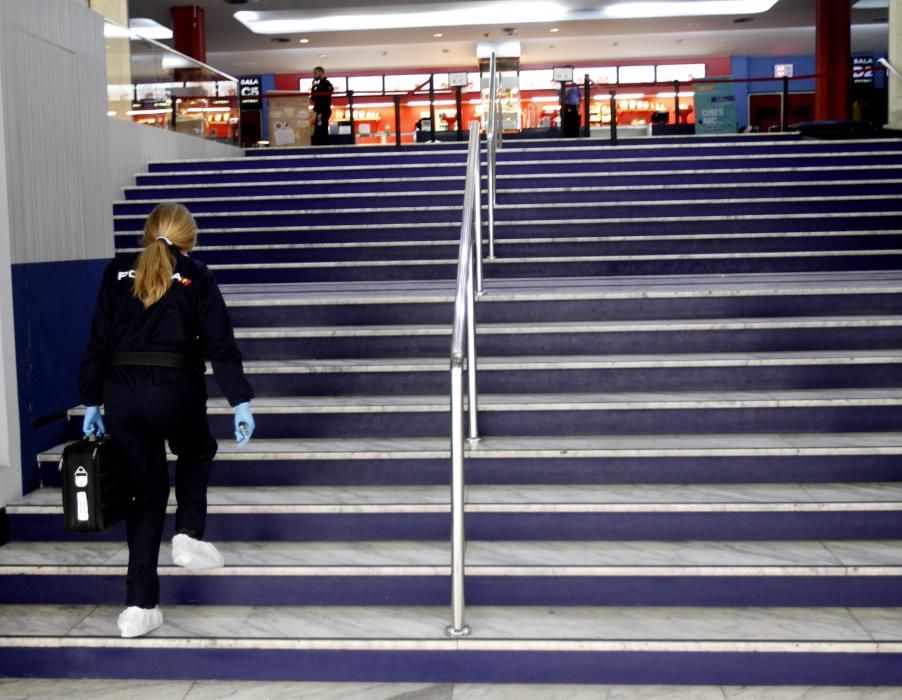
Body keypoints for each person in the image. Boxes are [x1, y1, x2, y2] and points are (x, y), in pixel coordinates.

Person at [79, 202, 255, 639]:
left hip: (122, 393)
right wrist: (240, 402)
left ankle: (139, 607)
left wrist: (91, 402)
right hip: (175, 389)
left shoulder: (116, 272)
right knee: (197, 448)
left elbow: (98, 340)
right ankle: (189, 534)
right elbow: (220, 344)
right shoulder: (196, 273)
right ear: (189, 239)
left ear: (147, 234)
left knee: (144, 496)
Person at [310, 65, 334, 145]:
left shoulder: (326, 84)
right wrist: (313, 87)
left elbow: (327, 94)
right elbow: (313, 98)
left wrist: (316, 89)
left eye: (315, 73)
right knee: (319, 128)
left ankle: (324, 146)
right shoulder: (318, 85)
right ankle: (320, 145)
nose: (314, 75)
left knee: (322, 128)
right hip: (319, 111)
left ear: (321, 73)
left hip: (324, 110)